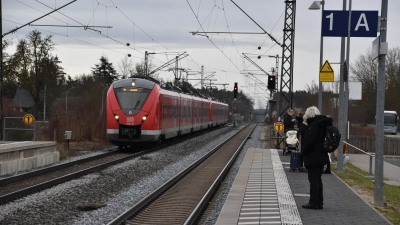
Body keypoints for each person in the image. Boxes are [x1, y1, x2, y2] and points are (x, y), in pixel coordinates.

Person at [301, 106, 331, 210]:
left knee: (313, 180)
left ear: (309, 114)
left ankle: (313, 202)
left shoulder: (314, 125)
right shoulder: (322, 124)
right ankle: (319, 202)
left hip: (314, 156)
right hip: (322, 155)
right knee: (318, 179)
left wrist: (303, 152)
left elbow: (309, 141)